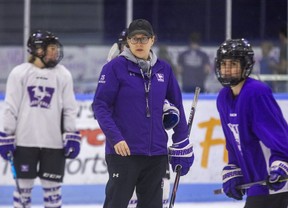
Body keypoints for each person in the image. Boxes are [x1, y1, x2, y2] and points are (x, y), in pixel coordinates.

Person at [92, 19, 194, 208]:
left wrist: (181, 141)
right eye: (134, 39)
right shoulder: (114, 68)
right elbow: (100, 106)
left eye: (144, 38)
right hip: (124, 152)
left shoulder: (164, 69)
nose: (139, 43)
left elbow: (176, 105)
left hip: (156, 153)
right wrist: (116, 138)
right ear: (128, 41)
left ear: (152, 40)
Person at [0, 30, 81, 208]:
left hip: (54, 143)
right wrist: (6, 135)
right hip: (24, 142)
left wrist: (71, 134)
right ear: (37, 50)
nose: (55, 52)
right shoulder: (19, 73)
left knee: (53, 191)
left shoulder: (63, 74)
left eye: (55, 48)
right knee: (23, 191)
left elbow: (69, 108)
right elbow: (10, 107)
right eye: (51, 48)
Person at [215, 38, 288, 208]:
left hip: (277, 187)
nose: (227, 69)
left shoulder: (256, 92)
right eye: (224, 64)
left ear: (245, 66)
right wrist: (234, 170)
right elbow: (233, 142)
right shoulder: (224, 98)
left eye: (233, 64)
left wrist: (282, 165)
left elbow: (280, 137)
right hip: (257, 187)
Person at [272, 25, 288, 92]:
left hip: (284, 82)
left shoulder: (285, 47)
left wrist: (272, 65)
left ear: (281, 35)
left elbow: (283, 68)